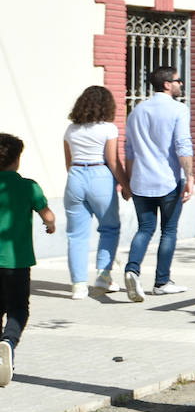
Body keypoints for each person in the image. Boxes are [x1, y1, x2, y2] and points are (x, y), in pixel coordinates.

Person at [124, 66, 195, 302]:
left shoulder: (137, 111)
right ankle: (162, 281)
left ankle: (132, 270)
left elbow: (130, 151)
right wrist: (191, 177)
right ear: (167, 84)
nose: (181, 85)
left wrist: (127, 181)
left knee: (144, 229)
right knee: (169, 230)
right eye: (178, 81)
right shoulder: (178, 110)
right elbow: (183, 145)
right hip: (167, 181)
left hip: (141, 181)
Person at [1, 133, 57, 387]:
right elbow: (48, 215)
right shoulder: (28, 186)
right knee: (18, 308)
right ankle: (8, 342)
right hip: (17, 261)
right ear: (17, 160)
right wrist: (50, 226)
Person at [63, 85, 128, 299]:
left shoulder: (71, 130)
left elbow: (68, 163)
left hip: (75, 176)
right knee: (109, 228)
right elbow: (112, 161)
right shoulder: (108, 129)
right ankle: (103, 275)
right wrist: (126, 186)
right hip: (99, 174)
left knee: (76, 235)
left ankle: (78, 286)